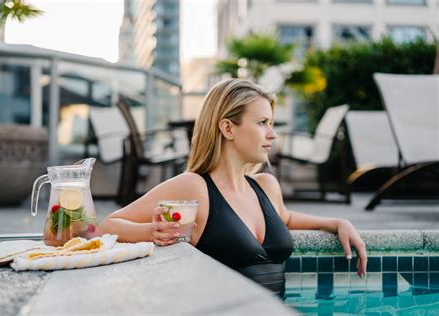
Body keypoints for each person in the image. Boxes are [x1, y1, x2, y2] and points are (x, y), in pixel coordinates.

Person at [100, 78, 367, 297]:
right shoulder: (195, 187)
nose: (272, 134)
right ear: (228, 127)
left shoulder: (265, 184)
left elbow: (285, 218)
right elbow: (108, 226)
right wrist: (151, 231)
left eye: (271, 124)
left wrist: (335, 222)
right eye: (262, 123)